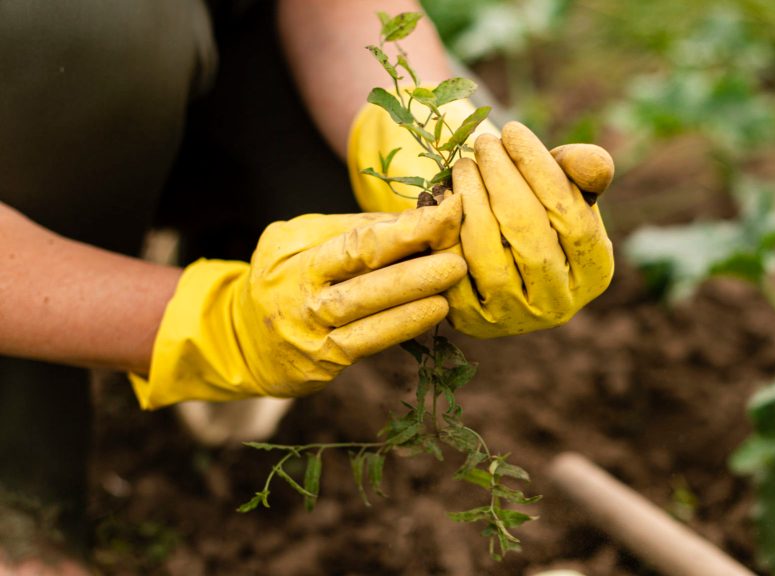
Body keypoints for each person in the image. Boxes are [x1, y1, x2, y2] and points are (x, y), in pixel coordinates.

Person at [0, 0, 614, 572]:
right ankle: (19, 503)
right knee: (88, 32)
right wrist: (208, 324)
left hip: (204, 70)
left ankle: (232, 259)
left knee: (460, 165)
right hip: (53, 90)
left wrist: (434, 155)